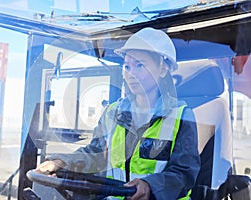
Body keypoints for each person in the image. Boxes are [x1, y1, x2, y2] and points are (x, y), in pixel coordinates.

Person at [36, 27, 201, 200]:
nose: (131, 73)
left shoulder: (181, 116)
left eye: (140, 65)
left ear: (163, 69)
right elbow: (95, 153)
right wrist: (61, 162)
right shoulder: (113, 113)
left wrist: (150, 186)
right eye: (127, 66)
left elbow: (183, 173)